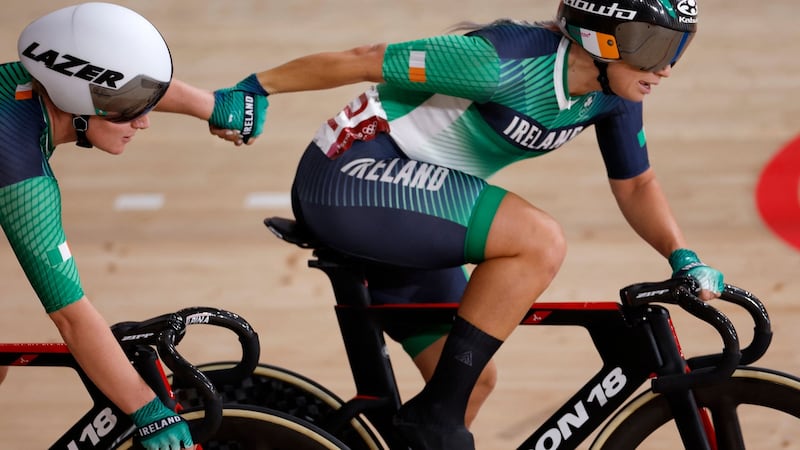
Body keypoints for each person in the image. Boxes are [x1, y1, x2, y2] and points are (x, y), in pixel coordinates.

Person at [211, 0, 721, 448]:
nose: (667, 68)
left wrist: (683, 257)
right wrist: (257, 87)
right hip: (348, 179)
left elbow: (636, 185)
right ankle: (434, 416)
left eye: (678, 48)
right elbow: (365, 58)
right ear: (603, 37)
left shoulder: (615, 94)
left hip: (410, 203)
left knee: (468, 382)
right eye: (656, 47)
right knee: (537, 240)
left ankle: (430, 418)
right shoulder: (499, 60)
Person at [0, 3, 265, 449]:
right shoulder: (21, 173)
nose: (143, 121)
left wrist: (211, 105)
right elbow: (70, 316)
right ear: (76, 100)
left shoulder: (26, 81)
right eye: (128, 110)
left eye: (144, 104)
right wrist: (147, 410)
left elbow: (128, 82)